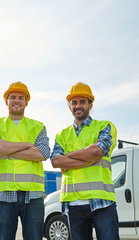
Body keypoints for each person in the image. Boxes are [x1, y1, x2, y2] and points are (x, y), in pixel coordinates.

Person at [51, 82, 119, 240]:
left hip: (102, 201)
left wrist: (67, 157)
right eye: (74, 102)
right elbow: (55, 161)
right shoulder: (62, 135)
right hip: (73, 204)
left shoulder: (105, 126)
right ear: (69, 106)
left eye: (82, 101)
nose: (78, 106)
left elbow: (97, 151)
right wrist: (88, 159)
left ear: (90, 104)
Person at [0, 81, 50, 240]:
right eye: (12, 97)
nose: (17, 100)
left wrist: (6, 148)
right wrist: (27, 146)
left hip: (33, 194)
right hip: (4, 193)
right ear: (6, 101)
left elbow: (43, 153)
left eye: (21, 97)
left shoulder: (38, 126)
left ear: (27, 102)